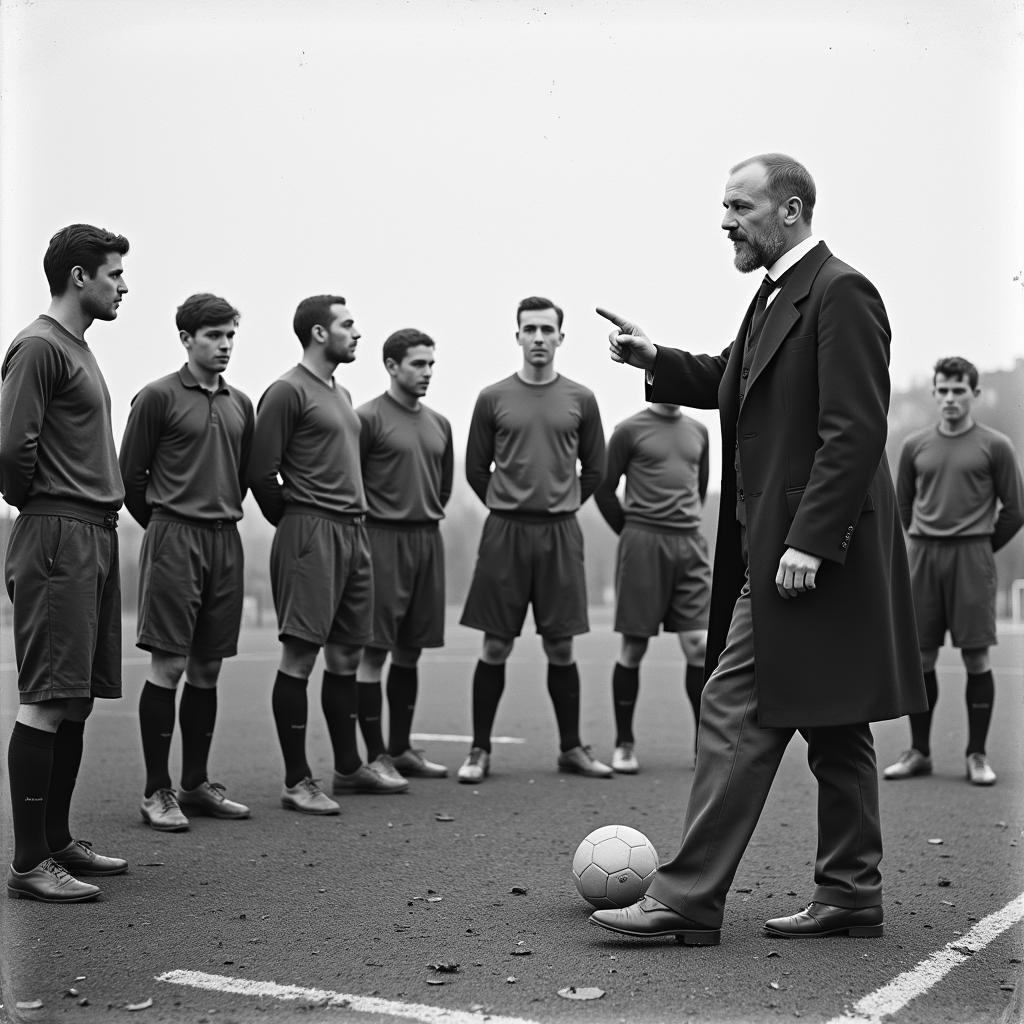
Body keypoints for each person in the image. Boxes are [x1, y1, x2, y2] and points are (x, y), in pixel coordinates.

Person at [590, 154, 925, 945]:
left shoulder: (841, 291)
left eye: (738, 206)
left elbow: (855, 429)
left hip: (807, 553)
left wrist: (810, 541)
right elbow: (733, 376)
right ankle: (850, 892)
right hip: (787, 548)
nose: (726, 221)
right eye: (725, 207)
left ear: (791, 210)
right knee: (837, 720)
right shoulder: (774, 295)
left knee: (733, 705)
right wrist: (656, 360)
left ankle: (687, 898)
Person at [1, 224, 130, 902]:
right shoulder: (39, 347)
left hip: (92, 534)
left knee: (73, 698)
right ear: (79, 276)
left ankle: (56, 840)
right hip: (58, 532)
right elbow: (10, 453)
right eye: (113, 274)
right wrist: (47, 509)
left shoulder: (78, 349)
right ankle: (29, 864)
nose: (122, 286)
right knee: (47, 698)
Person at [248, 295, 407, 816]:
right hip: (311, 534)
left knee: (346, 655)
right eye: (347, 324)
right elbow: (261, 473)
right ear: (319, 333)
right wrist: (298, 527)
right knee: (301, 656)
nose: (356, 332)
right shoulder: (287, 390)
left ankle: (348, 767)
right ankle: (297, 780)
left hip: (353, 534)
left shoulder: (339, 392)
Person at [457, 295, 611, 784]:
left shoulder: (581, 399)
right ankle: (479, 750)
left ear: (561, 338)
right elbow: (475, 470)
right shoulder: (492, 397)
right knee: (496, 645)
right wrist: (511, 505)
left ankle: (571, 748)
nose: (539, 338)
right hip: (505, 532)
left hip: (561, 534)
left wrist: (559, 504)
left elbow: (597, 470)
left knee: (561, 647)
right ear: (518, 336)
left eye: (548, 330)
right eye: (531, 330)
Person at [119, 293, 255, 831]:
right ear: (186, 339)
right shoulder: (156, 397)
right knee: (170, 666)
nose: (224, 346)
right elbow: (131, 478)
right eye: (213, 336)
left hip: (226, 540)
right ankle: (157, 791)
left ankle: (196, 784)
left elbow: (241, 472)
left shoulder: (241, 402)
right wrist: (166, 526)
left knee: (208, 666)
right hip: (174, 537)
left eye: (230, 337)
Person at [884, 357, 1024, 787]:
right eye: (942, 390)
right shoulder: (914, 445)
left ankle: (976, 755)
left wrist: (980, 547)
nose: (949, 398)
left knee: (976, 657)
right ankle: (919, 752)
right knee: (920, 656)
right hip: (924, 558)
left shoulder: (995, 445)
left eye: (958, 390)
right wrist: (922, 540)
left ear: (974, 394)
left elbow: (1015, 510)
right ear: (934, 393)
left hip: (972, 558)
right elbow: (902, 504)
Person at [354, 329, 454, 782]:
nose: (427, 372)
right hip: (380, 541)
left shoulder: (440, 424)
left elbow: (445, 484)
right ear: (392, 366)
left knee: (411, 650)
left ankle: (401, 748)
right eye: (418, 364)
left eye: (431, 364)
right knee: (374, 652)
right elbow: (351, 483)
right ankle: (375, 755)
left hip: (426, 540)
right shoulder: (367, 418)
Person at [594, 403, 711, 773]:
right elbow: (604, 490)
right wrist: (632, 533)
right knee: (634, 646)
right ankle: (624, 744)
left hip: (689, 545)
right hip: (643, 543)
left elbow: (700, 489)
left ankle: (703, 748)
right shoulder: (628, 430)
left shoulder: (699, 431)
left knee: (700, 645)